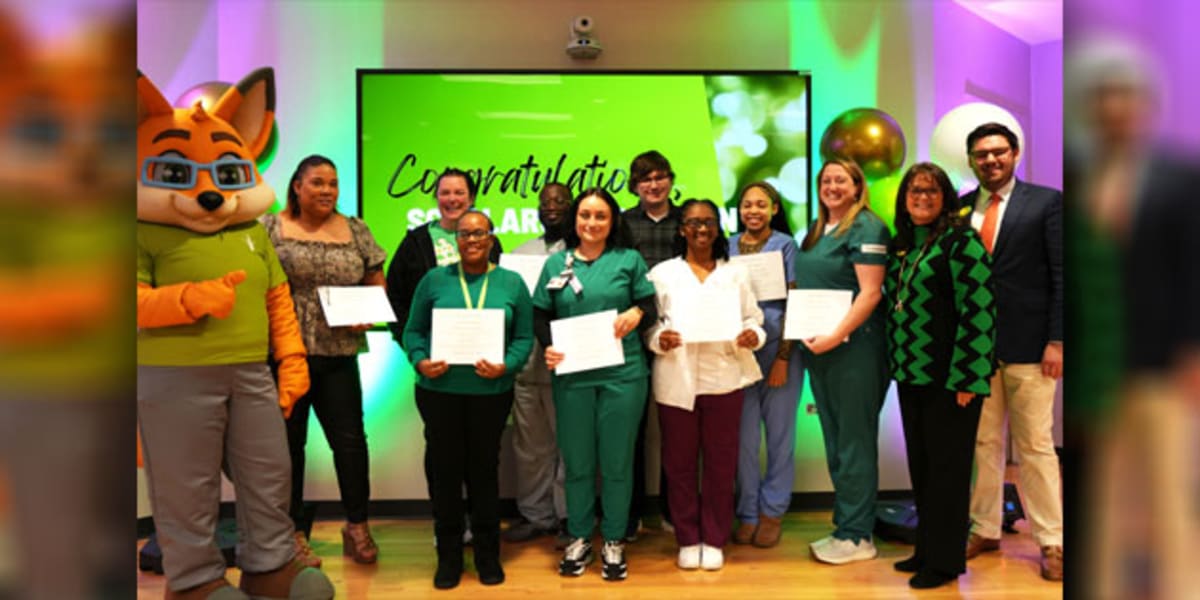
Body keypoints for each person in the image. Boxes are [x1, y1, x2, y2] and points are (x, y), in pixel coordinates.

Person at [262, 155, 387, 566]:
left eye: (332, 183)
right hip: (285, 355)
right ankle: (292, 530)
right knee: (288, 445)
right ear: (297, 186)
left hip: (338, 354)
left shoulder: (355, 228)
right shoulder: (270, 228)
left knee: (350, 443)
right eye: (317, 182)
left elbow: (374, 277)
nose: (327, 190)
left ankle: (357, 524)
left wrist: (370, 310)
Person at [401, 210, 533, 589]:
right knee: (444, 475)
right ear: (454, 240)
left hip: (490, 393)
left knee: (484, 474)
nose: (472, 240)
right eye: (464, 234)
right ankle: (449, 556)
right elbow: (414, 331)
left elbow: (523, 337)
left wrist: (507, 365)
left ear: (491, 238)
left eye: (479, 233)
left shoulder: (512, 283)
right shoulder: (433, 280)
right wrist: (420, 361)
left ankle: (488, 555)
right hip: (439, 393)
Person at [533, 187, 658, 581]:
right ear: (575, 219)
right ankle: (581, 535)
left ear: (612, 221)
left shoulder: (629, 259)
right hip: (573, 375)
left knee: (618, 463)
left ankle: (615, 539)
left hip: (624, 375)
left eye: (600, 216)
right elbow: (539, 314)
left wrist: (637, 312)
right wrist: (549, 347)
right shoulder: (556, 265)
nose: (591, 222)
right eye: (585, 215)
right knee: (579, 463)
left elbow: (651, 305)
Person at [960, 122, 1065, 582]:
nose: (991, 161)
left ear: (1016, 153)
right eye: (981, 154)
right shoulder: (962, 209)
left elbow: (1063, 275)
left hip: (1031, 348)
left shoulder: (1046, 202)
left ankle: (1053, 541)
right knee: (983, 444)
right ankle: (984, 528)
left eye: (999, 152)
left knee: (1035, 447)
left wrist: (1058, 340)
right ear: (971, 161)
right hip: (978, 350)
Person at [886, 162, 996, 589]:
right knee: (924, 468)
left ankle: (946, 562)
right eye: (915, 191)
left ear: (945, 198)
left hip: (951, 381)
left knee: (948, 473)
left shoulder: (961, 242)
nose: (922, 198)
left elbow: (980, 311)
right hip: (910, 375)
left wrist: (969, 377)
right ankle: (926, 549)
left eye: (931, 192)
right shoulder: (904, 245)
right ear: (904, 198)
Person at [646, 199, 765, 571]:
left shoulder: (737, 273)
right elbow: (652, 323)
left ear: (718, 228)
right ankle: (687, 536)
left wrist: (753, 335)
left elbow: (754, 318)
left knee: (720, 463)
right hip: (675, 378)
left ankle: (714, 537)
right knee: (678, 463)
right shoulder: (663, 273)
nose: (701, 229)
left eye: (709, 222)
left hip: (724, 377)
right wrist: (659, 337)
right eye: (693, 222)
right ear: (681, 229)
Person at [385, 168, 501, 543]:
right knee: (441, 451)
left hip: (482, 368)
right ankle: (447, 524)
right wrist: (413, 347)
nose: (452, 199)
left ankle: (477, 524)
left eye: (460, 193)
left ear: (471, 197)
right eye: (445, 193)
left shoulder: (489, 242)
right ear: (436, 198)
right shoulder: (417, 241)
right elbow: (397, 297)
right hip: (437, 369)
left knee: (481, 454)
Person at [793, 159, 891, 564]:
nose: (832, 186)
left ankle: (857, 536)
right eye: (826, 180)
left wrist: (834, 335)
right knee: (836, 439)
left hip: (855, 350)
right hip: (821, 351)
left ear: (857, 187)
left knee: (854, 441)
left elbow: (870, 293)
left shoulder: (867, 227)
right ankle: (845, 525)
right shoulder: (817, 231)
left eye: (841, 180)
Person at [727, 181, 803, 549]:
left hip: (778, 353)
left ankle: (773, 512)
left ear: (774, 208)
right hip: (738, 355)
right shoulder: (726, 246)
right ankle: (748, 513)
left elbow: (796, 301)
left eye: (761, 204)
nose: (753, 211)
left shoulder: (786, 245)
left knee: (779, 439)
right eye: (746, 205)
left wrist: (784, 357)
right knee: (742, 441)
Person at [503, 182, 572, 548]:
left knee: (569, 446)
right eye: (546, 202)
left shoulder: (584, 253)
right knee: (530, 446)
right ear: (537, 210)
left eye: (560, 200)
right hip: (527, 365)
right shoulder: (520, 253)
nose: (553, 207)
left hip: (568, 364)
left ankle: (566, 516)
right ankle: (535, 514)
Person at [617, 150, 681, 539]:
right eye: (645, 179)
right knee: (631, 430)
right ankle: (631, 512)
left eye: (660, 177)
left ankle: (675, 510)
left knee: (676, 428)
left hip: (679, 335)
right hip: (632, 336)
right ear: (635, 185)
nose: (653, 185)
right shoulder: (621, 223)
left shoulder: (688, 219)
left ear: (671, 180)